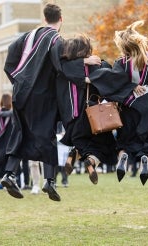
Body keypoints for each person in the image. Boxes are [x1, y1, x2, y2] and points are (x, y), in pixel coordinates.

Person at [1, 3, 100, 200]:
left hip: (20, 91)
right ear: (60, 19)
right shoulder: (56, 40)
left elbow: (9, 61)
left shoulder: (27, 36)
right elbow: (62, 66)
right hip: (43, 95)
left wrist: (18, 81)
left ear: (45, 18)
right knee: (47, 135)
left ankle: (9, 174)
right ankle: (50, 181)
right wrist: (84, 62)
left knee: (20, 132)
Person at [88, 20, 148, 186]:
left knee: (125, 140)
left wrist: (129, 87)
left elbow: (111, 82)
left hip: (129, 108)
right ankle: (145, 156)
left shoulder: (120, 63)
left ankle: (123, 156)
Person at [57, 34, 117, 185]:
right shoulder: (97, 65)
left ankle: (76, 154)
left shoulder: (63, 69)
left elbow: (63, 65)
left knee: (82, 142)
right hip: (93, 115)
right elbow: (108, 83)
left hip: (71, 116)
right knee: (105, 145)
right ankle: (90, 161)